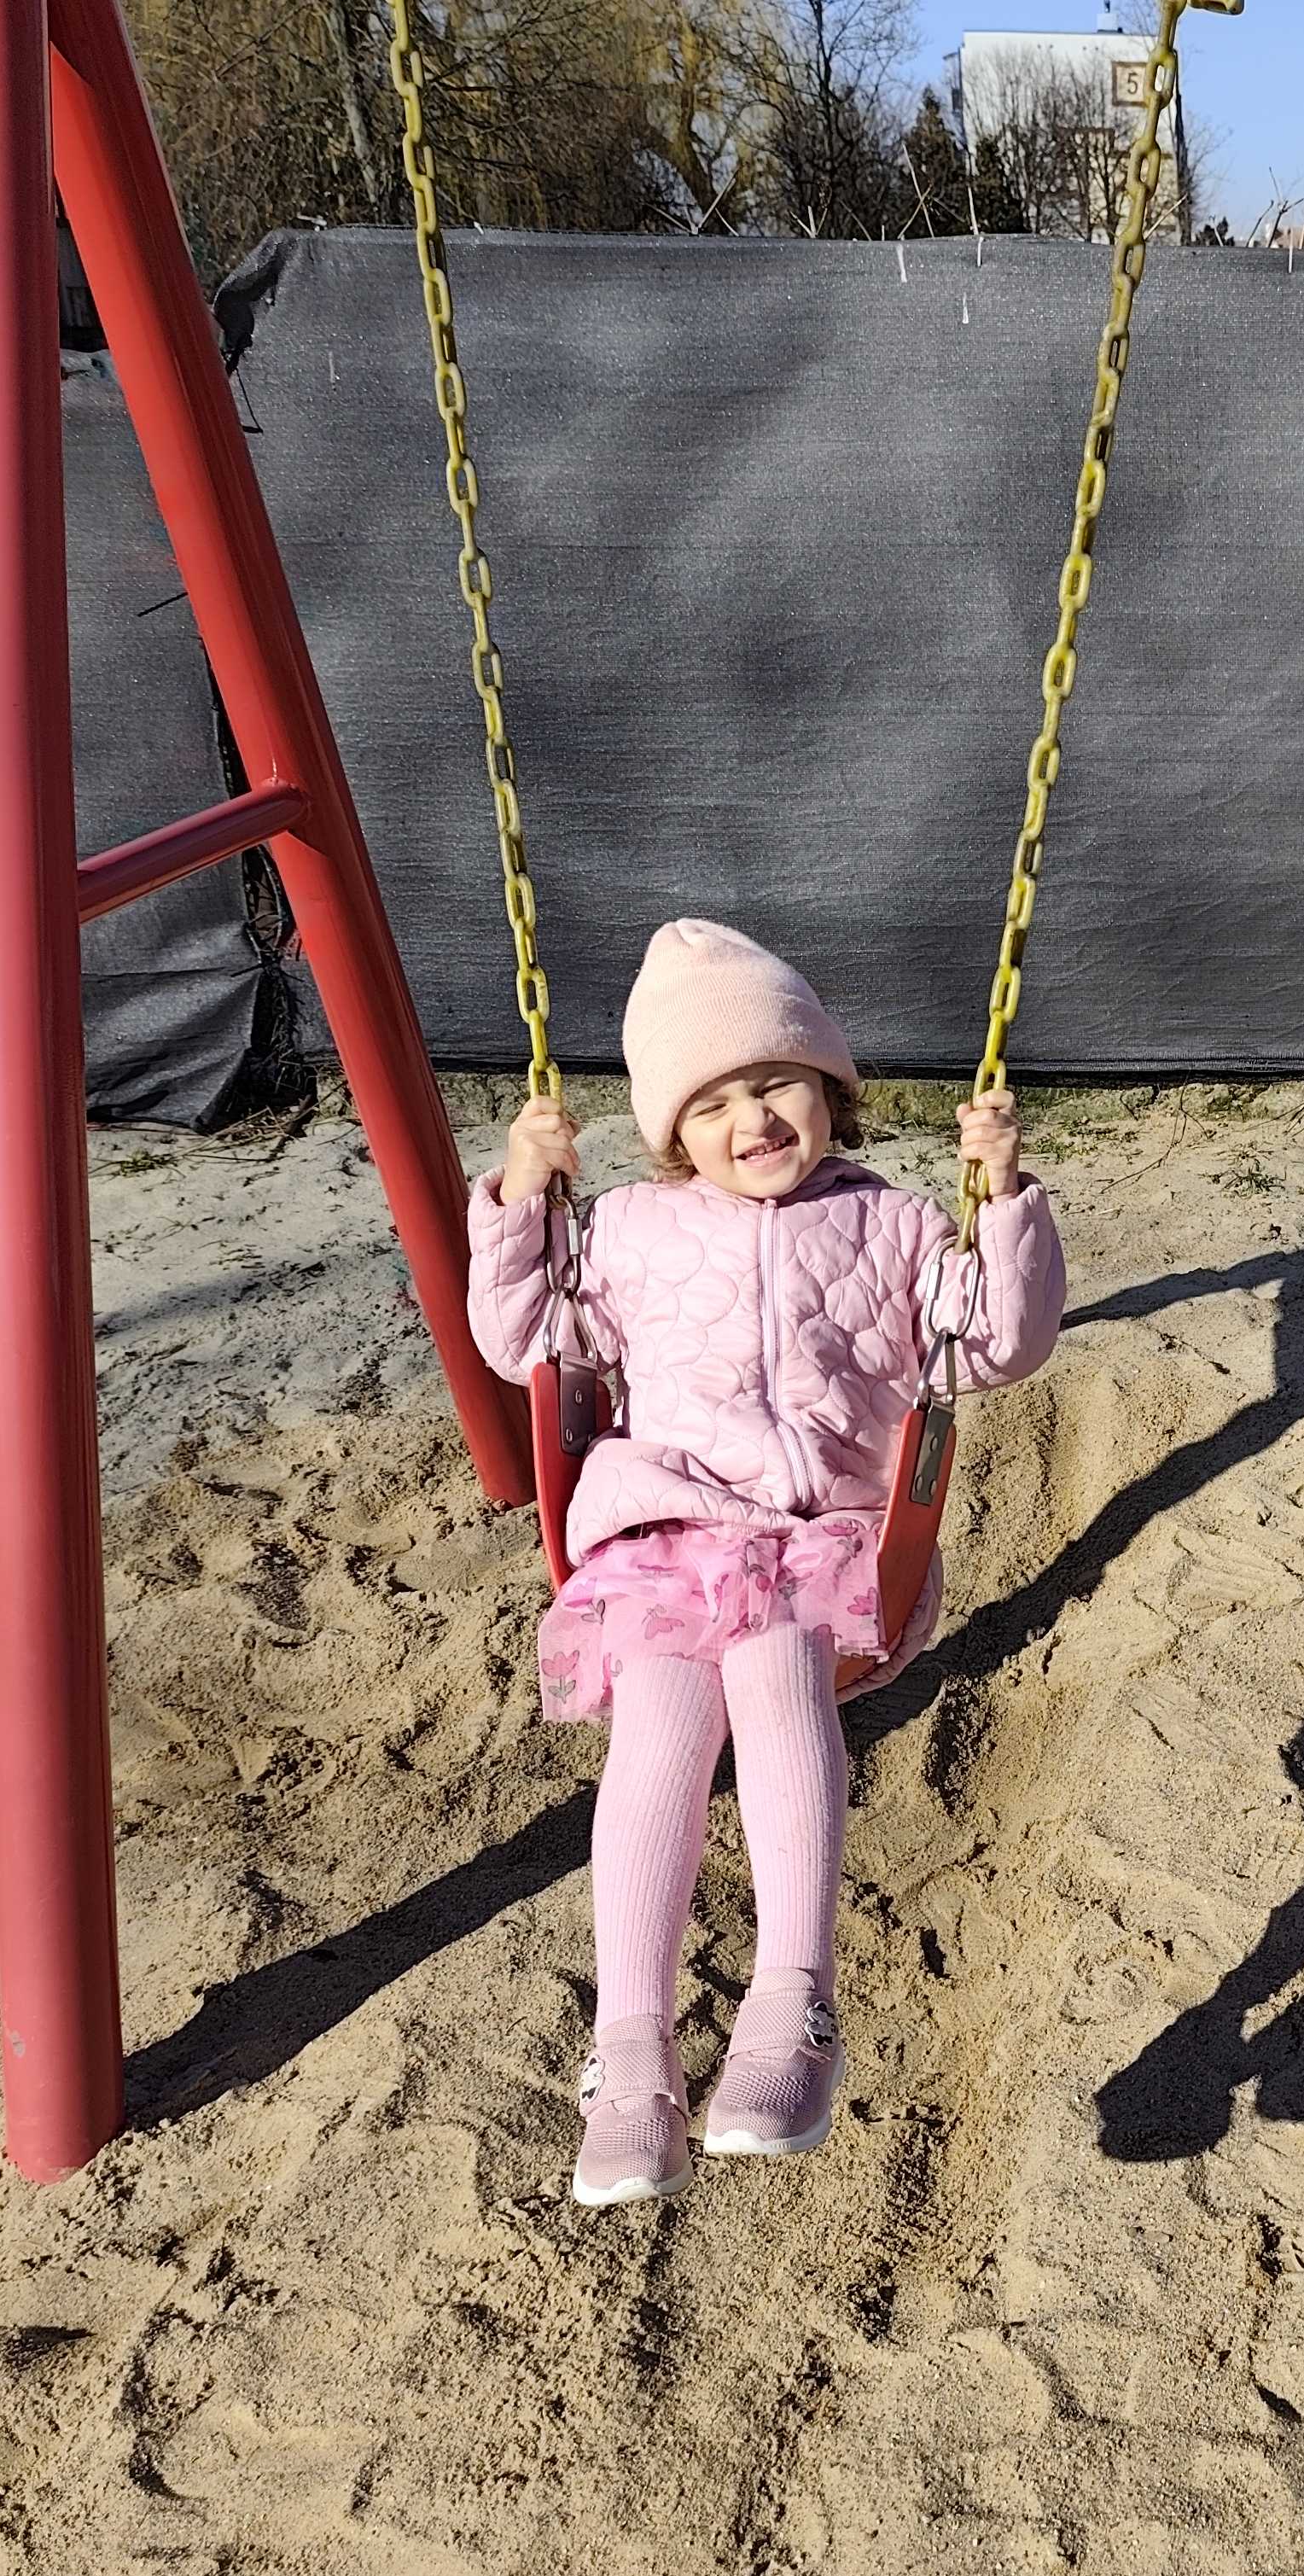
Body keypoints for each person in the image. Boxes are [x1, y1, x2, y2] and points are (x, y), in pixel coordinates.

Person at [467, 918, 1065, 2205]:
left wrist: (1005, 1198)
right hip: (667, 1530)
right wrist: (521, 1195)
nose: (753, 1119)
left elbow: (997, 1346)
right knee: (661, 1724)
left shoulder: (897, 1225)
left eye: (779, 1082)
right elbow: (520, 1338)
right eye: (714, 1102)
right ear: (670, 1132)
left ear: (831, 1088)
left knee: (779, 1674)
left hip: (817, 1538)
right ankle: (631, 2059)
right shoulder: (625, 1228)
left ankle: (792, 2007)